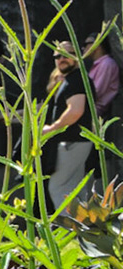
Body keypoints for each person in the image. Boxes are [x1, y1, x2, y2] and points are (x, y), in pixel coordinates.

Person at [40, 48, 98, 214]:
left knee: (58, 187)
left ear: (77, 56)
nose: (61, 59)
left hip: (71, 142)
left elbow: (75, 111)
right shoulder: (73, 79)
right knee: (75, 188)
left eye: (66, 54)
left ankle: (69, 230)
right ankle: (82, 233)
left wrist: (52, 128)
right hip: (75, 141)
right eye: (57, 56)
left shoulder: (76, 80)